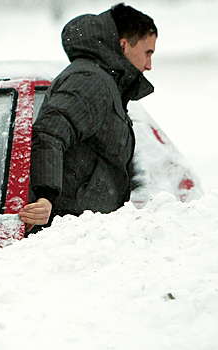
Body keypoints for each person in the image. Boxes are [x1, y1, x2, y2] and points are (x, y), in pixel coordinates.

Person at [19, 3, 157, 233]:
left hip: (81, 228)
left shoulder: (106, 84)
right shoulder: (91, 81)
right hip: (66, 228)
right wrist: (45, 196)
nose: (149, 65)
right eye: (147, 53)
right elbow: (49, 132)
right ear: (123, 45)